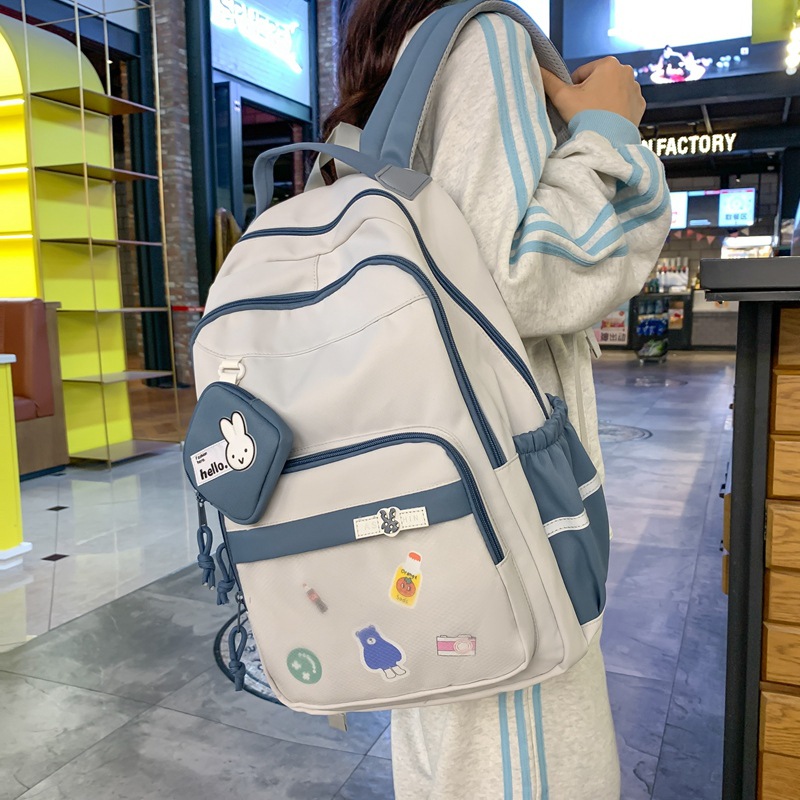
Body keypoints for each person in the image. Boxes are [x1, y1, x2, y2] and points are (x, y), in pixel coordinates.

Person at [325, 2, 671, 797]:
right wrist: (609, 134)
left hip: (424, 497)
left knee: (450, 738)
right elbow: (508, 277)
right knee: (522, 744)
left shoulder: (394, 82)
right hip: (507, 514)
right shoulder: (485, 39)